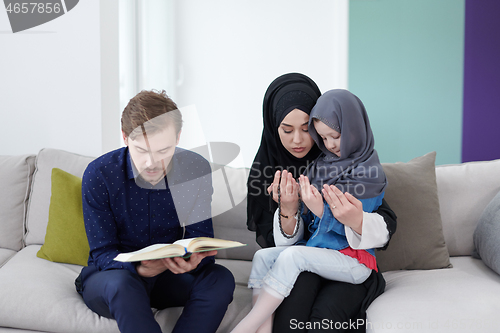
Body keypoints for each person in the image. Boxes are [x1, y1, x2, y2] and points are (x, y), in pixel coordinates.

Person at [246, 73, 397, 333]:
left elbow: (383, 220)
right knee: (290, 315)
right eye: (286, 129)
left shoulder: (357, 163)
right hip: (304, 260)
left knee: (324, 319)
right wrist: (289, 211)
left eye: (307, 129)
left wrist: (354, 220)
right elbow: (282, 249)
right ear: (273, 127)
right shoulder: (274, 173)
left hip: (348, 262)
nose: (298, 140)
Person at [74, 90, 235, 333]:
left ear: (178, 137)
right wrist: (140, 268)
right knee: (122, 284)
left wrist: (192, 261)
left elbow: (200, 237)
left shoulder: (195, 169)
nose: (152, 163)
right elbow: (103, 253)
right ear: (125, 137)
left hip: (170, 276)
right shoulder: (99, 174)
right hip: (114, 278)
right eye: (142, 150)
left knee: (220, 278)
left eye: (163, 151)